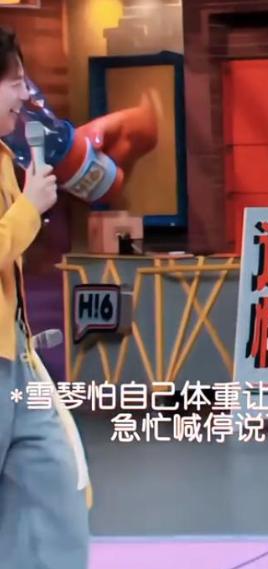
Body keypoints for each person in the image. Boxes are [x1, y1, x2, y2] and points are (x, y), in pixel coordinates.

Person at [0, 27, 89, 569]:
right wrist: (29, 207)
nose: (24, 94)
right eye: (13, 82)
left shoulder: (3, 156)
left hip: (15, 357)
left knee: (54, 478)